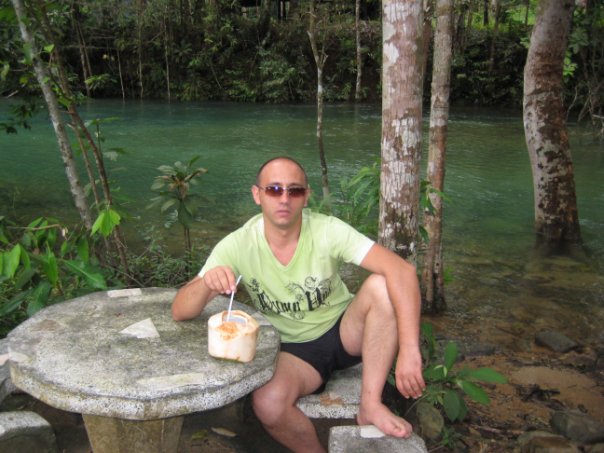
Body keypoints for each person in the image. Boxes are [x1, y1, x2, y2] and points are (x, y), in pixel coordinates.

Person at [172, 156, 425, 453]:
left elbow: (402, 271)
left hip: (345, 330)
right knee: (268, 402)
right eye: (274, 189)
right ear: (257, 195)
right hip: (295, 351)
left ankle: (370, 404)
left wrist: (409, 349)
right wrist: (207, 282)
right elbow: (180, 310)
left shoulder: (327, 230)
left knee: (381, 286)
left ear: (306, 196)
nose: (284, 199)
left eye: (294, 191)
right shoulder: (238, 244)